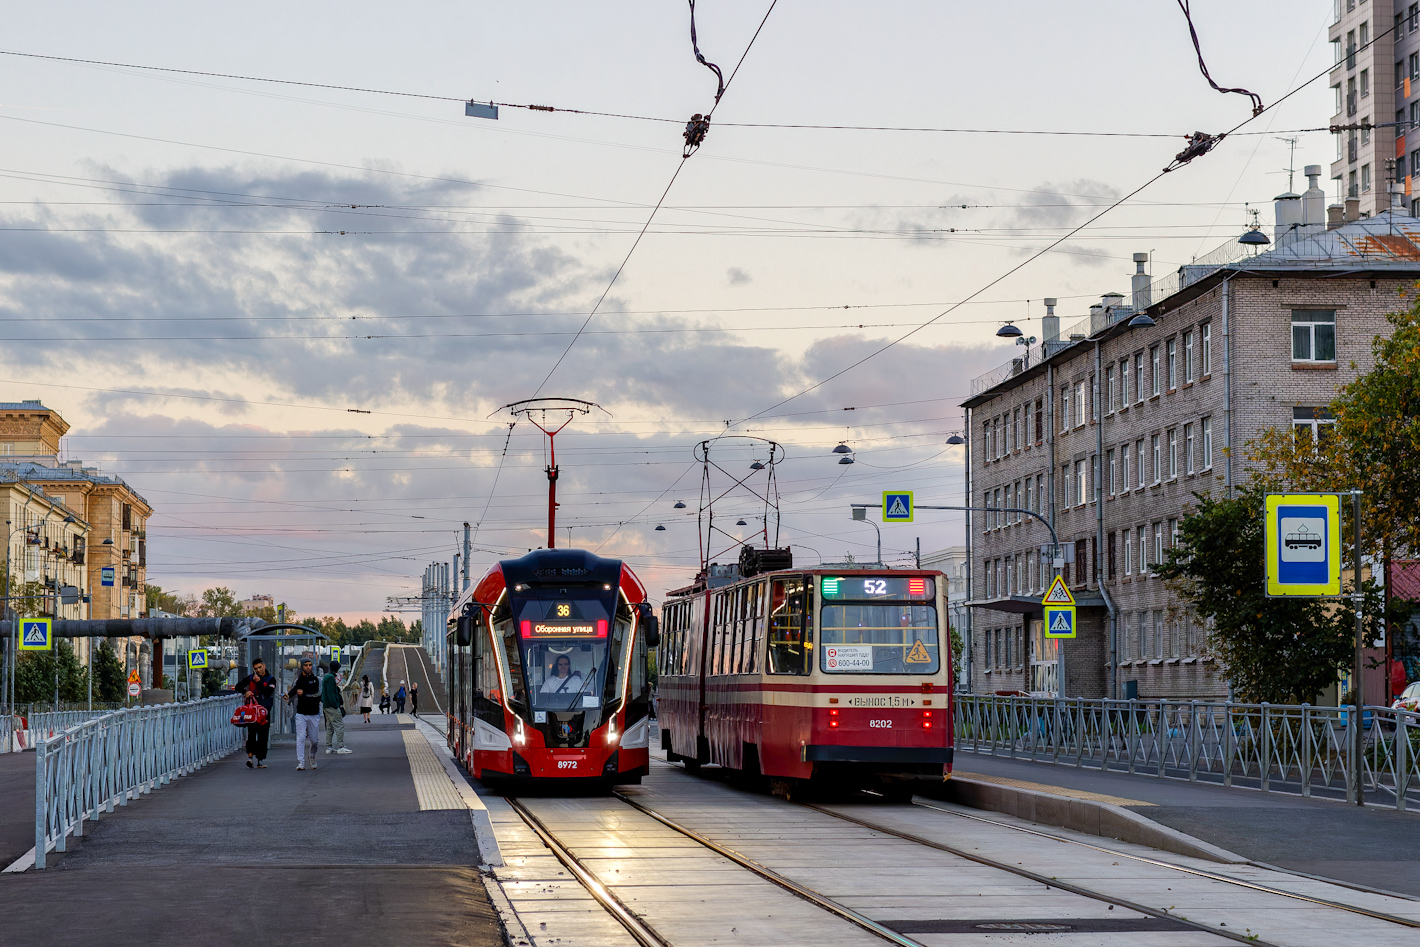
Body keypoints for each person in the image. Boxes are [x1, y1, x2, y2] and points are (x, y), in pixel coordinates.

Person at [234, 658, 276, 769]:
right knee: (251, 734)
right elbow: (238, 686)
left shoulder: (271, 679)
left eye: (260, 667)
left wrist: (259, 682)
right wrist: (245, 691)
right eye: (256, 668)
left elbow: (267, 692)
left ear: (264, 666)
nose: (258, 670)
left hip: (264, 712)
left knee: (263, 736)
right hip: (252, 711)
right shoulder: (250, 678)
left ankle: (260, 760)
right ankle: (250, 757)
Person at [286, 657, 323, 771]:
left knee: (314, 740)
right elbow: (293, 690)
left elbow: (318, 694)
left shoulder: (317, 680)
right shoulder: (298, 680)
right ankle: (301, 762)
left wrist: (304, 693)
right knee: (300, 738)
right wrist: (287, 696)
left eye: (310, 665)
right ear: (302, 666)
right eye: (306, 665)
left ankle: (312, 756)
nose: (308, 667)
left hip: (313, 713)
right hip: (301, 713)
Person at [322, 661, 351, 755]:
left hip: (326, 705)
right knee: (339, 725)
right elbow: (331, 693)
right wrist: (335, 704)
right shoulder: (330, 678)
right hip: (332, 706)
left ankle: (329, 747)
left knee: (330, 726)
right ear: (337, 669)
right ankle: (341, 746)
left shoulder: (327, 677)